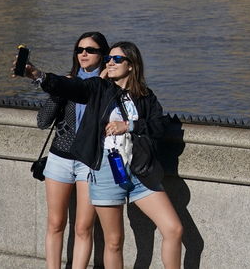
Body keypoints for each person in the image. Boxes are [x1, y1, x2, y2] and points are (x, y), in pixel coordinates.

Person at [20, 41, 184, 269]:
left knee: (174, 229)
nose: (110, 62)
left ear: (131, 65)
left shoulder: (145, 96)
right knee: (114, 241)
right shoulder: (99, 88)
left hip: (139, 172)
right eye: (108, 58)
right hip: (106, 171)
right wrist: (38, 75)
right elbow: (71, 87)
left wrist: (128, 126)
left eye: (117, 59)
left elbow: (158, 126)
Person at [36, 31, 109, 269]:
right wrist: (60, 89)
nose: (84, 54)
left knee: (83, 227)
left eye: (90, 50)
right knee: (56, 223)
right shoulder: (67, 83)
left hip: (89, 160)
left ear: (102, 54)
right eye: (79, 50)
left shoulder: (108, 87)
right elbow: (43, 121)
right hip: (60, 159)